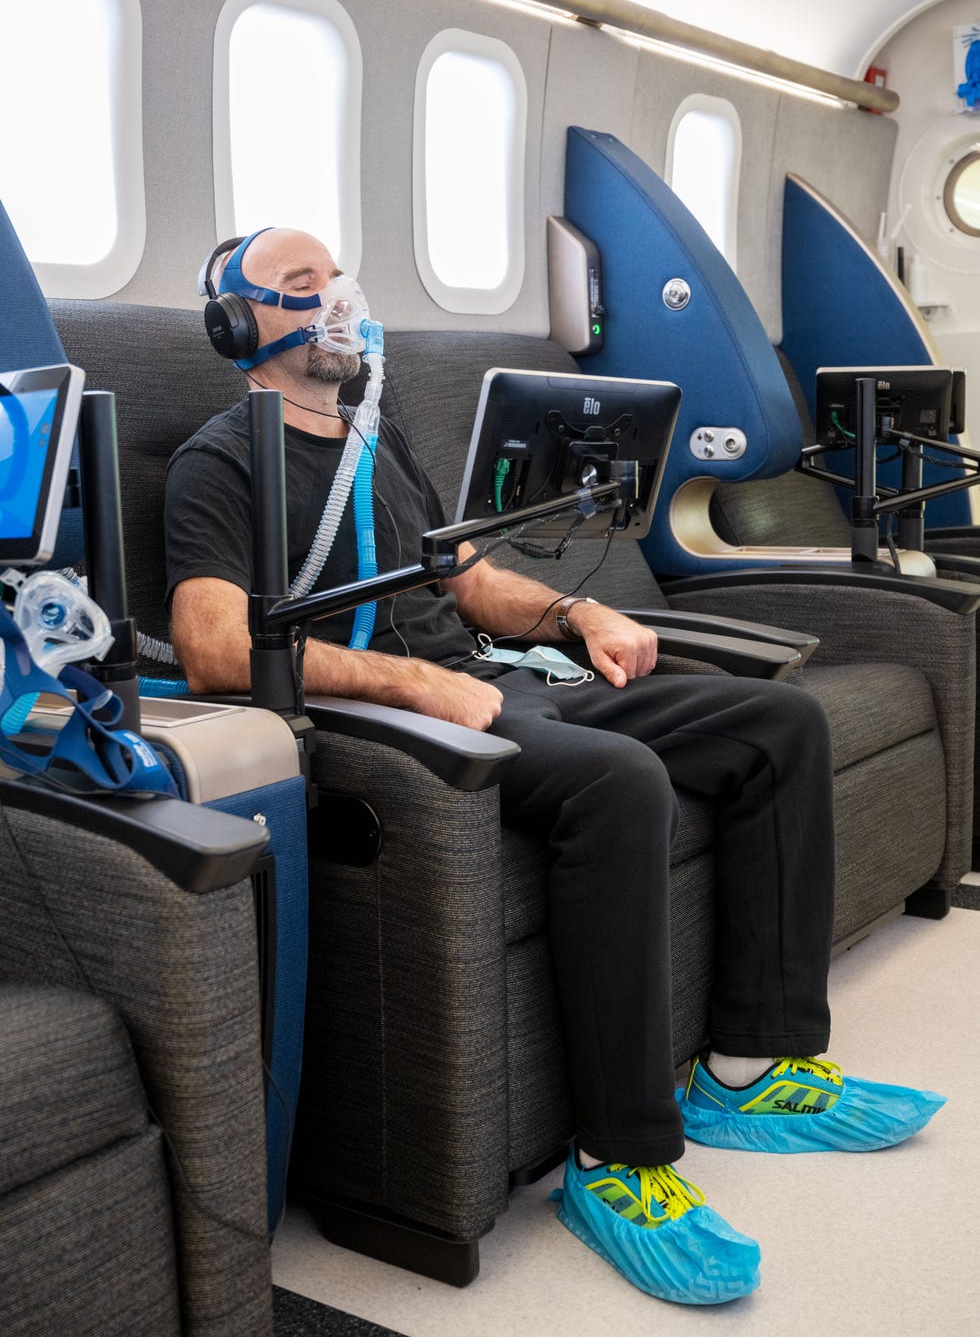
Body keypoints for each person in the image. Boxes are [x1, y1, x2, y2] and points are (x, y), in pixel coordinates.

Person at [165, 227, 944, 1307]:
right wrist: (416, 685)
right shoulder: (222, 459)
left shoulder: (374, 440)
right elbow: (209, 646)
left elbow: (470, 580)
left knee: (778, 725)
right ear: (236, 324)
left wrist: (579, 613)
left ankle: (750, 1066)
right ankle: (616, 1157)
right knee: (619, 780)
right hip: (416, 722)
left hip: (504, 682)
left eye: (341, 272)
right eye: (303, 287)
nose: (339, 295)